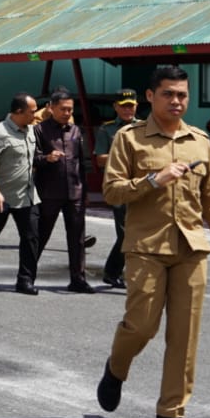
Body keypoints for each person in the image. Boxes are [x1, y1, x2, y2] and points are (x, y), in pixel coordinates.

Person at [96, 65, 210, 418]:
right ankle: (116, 367)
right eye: (168, 94)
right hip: (146, 247)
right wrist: (152, 180)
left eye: (182, 95)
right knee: (141, 326)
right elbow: (111, 192)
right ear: (150, 97)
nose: (176, 101)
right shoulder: (130, 139)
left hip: (191, 249)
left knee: (184, 336)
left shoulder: (200, 142)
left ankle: (170, 413)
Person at [0, 92, 42, 295]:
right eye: (32, 111)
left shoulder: (31, 130)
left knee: (31, 238)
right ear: (18, 112)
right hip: (1, 197)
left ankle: (25, 280)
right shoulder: (0, 132)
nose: (35, 115)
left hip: (27, 196)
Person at [34, 89, 95, 293]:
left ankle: (78, 278)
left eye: (70, 109)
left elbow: (81, 163)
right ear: (51, 107)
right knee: (41, 234)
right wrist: (47, 158)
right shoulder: (40, 130)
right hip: (49, 192)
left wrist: (85, 191)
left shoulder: (75, 130)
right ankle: (27, 275)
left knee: (77, 237)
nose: (67, 113)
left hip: (74, 192)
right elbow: (32, 158)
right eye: (63, 109)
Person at [95, 90, 141, 288]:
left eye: (131, 105)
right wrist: (123, 155)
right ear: (116, 107)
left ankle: (121, 272)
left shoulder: (144, 127)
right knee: (125, 233)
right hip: (120, 187)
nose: (127, 109)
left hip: (141, 186)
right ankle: (113, 271)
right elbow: (100, 158)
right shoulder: (107, 130)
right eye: (123, 105)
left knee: (141, 232)